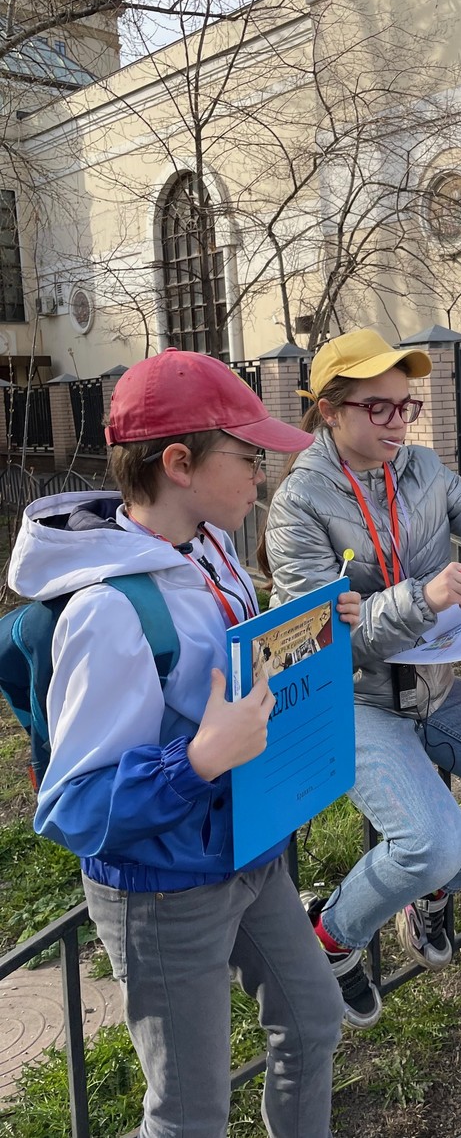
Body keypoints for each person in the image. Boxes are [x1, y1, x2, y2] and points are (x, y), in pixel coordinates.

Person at [8, 349, 361, 1138]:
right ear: (179, 463)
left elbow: (228, 664)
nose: (262, 477)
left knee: (312, 1021)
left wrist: (309, 636)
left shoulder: (208, 545)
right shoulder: (109, 610)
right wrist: (201, 758)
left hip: (246, 847)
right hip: (163, 888)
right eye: (249, 458)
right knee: (189, 1112)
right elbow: (73, 806)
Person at [263, 328, 461, 1029]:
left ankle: (427, 893)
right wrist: (422, 598)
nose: (399, 421)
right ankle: (333, 936)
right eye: (381, 407)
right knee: (433, 839)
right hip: (357, 701)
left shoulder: (423, 470)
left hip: (432, 684)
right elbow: (321, 645)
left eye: (408, 405)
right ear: (330, 408)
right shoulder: (298, 506)